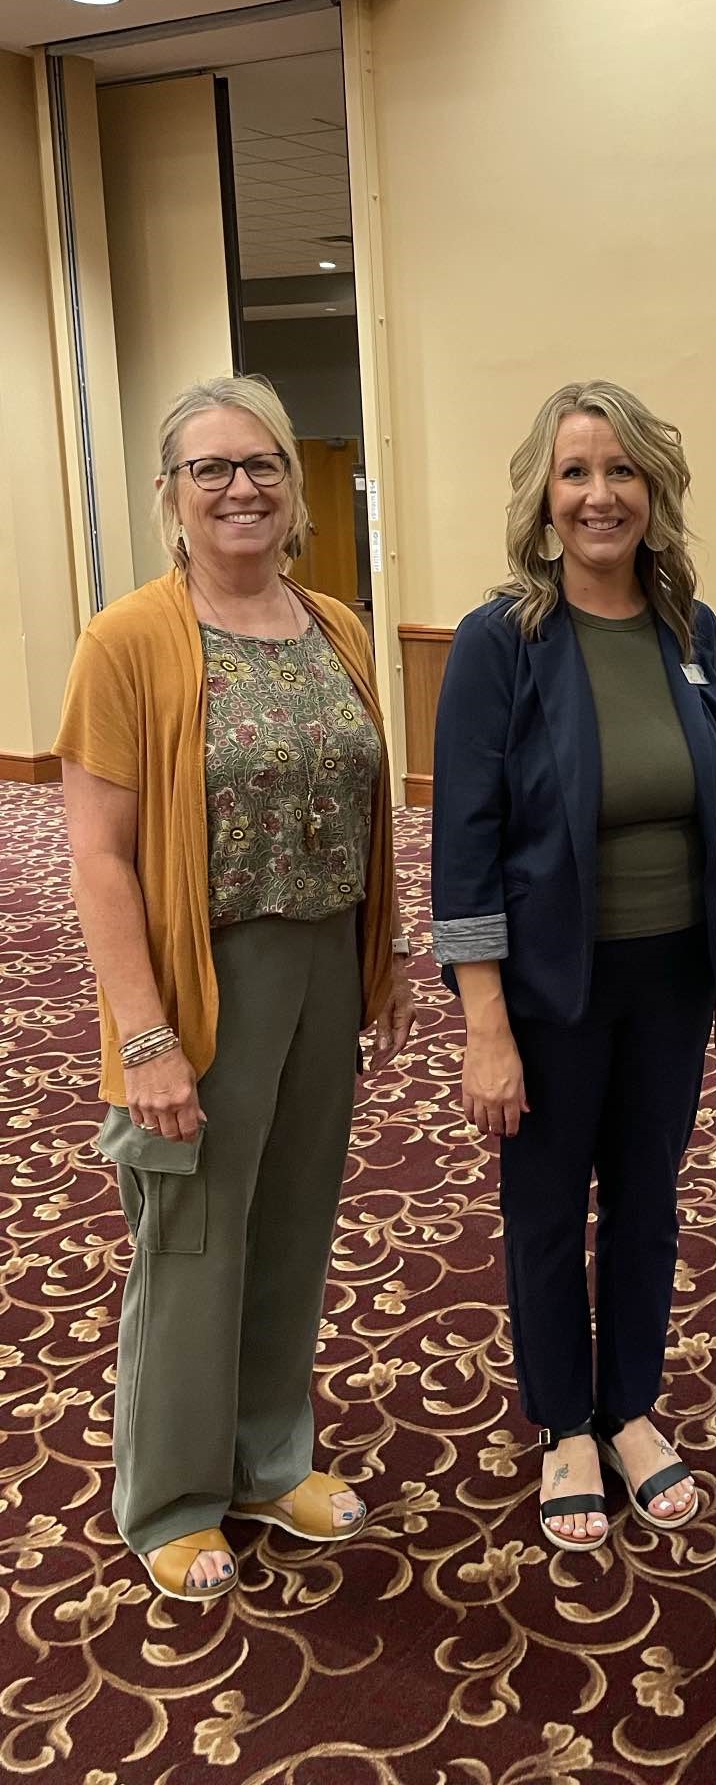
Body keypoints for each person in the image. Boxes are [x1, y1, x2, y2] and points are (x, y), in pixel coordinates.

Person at [53, 375, 413, 1603]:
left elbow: (372, 800)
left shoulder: (336, 626)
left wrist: (383, 953)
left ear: (291, 490)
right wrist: (143, 1034)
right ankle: (169, 1496)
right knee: (193, 1236)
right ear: (172, 498)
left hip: (322, 964)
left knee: (294, 1223)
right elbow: (97, 855)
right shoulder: (129, 639)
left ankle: (268, 1458)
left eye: (260, 464)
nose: (242, 486)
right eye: (210, 469)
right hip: (203, 976)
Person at [430, 379, 716, 1555]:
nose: (600, 495)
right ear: (543, 495)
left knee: (650, 1202)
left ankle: (630, 1407)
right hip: (547, 988)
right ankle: (563, 1422)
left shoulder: (691, 631)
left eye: (622, 472)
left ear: (653, 492)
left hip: (672, 975)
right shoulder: (500, 643)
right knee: (545, 1213)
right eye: (577, 472)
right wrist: (485, 1025)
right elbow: (461, 847)